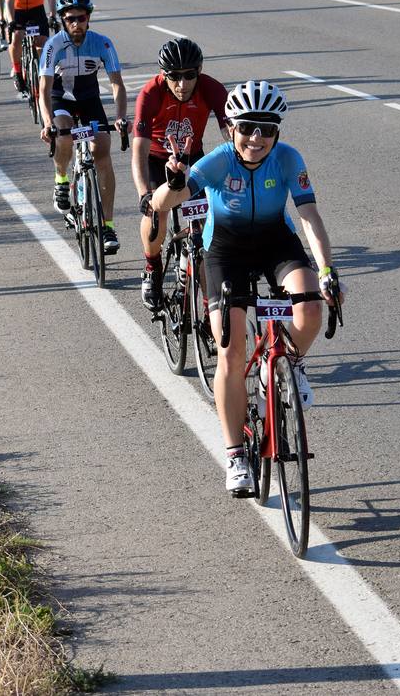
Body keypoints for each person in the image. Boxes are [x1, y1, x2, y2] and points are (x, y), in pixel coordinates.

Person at [150, 80, 343, 496]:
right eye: (248, 128)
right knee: (231, 348)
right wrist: (172, 180)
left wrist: (326, 269)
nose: (257, 138)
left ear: (278, 132)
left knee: (310, 308)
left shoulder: (289, 159)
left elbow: (308, 215)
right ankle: (236, 453)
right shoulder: (219, 162)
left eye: (267, 129)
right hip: (227, 251)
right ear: (230, 129)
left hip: (276, 241)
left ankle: (290, 364)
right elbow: (170, 200)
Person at [131, 38, 227, 311]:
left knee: (207, 226)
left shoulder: (211, 88)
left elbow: (231, 137)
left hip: (192, 159)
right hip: (156, 159)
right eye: (174, 76)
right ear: (164, 74)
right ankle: (152, 268)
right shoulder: (151, 94)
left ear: (199, 72)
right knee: (156, 211)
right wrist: (143, 194)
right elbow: (138, 151)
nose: (182, 84)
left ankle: (212, 307)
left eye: (189, 76)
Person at [38, 0, 128, 254]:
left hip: (89, 100)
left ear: (88, 19)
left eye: (81, 18)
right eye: (70, 19)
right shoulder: (53, 45)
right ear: (63, 21)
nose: (76, 23)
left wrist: (120, 116)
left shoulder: (102, 43)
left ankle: (107, 225)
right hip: (61, 99)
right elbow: (43, 88)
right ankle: (62, 179)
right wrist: (47, 122)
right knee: (64, 135)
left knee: (102, 150)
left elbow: (116, 84)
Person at [3, 0, 57, 96]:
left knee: (43, 42)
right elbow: (9, 0)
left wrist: (52, 15)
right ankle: (19, 72)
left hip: (36, 9)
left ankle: (42, 72)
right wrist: (11, 21)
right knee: (17, 36)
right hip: (18, 10)